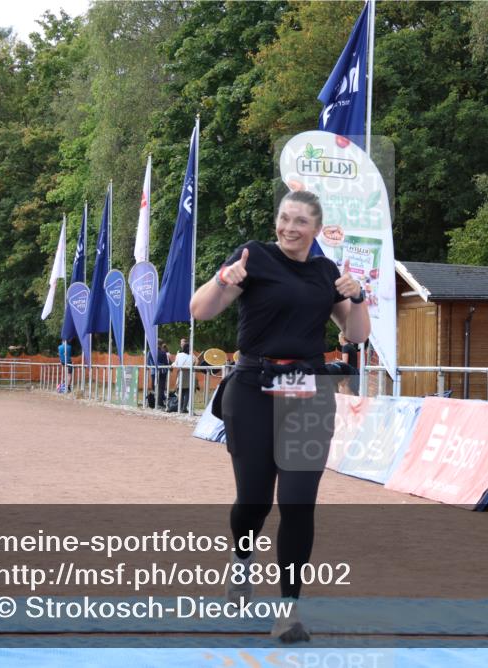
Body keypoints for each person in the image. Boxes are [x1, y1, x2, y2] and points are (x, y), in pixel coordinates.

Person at [190, 190, 370, 643]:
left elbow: (355, 334)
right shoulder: (253, 257)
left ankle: (288, 611)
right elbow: (200, 310)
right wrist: (223, 279)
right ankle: (240, 562)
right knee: (253, 501)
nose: (290, 228)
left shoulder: (326, 272)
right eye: (285, 219)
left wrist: (359, 296)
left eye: (301, 222)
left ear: (315, 229)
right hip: (252, 388)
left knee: (297, 501)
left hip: (308, 391)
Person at [171, 342, 194, 413]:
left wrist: (172, 364)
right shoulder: (191, 356)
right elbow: (192, 364)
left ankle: (180, 407)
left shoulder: (179, 355)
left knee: (180, 391)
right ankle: (184, 408)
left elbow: (176, 363)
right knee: (187, 391)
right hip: (188, 374)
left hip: (181, 373)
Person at [154, 343, 170, 408]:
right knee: (161, 388)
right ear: (160, 345)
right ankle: (159, 403)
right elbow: (166, 363)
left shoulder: (151, 352)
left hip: (154, 371)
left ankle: (155, 401)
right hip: (162, 371)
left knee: (155, 387)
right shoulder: (163, 353)